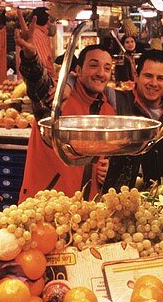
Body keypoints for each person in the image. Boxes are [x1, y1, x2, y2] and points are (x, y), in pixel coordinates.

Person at [14, 11, 116, 201]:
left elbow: (103, 160)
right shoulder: (58, 97)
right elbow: (38, 85)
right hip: (44, 208)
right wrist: (30, 56)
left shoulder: (108, 111)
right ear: (78, 70)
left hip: (85, 214)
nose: (101, 73)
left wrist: (107, 169)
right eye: (94, 65)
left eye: (107, 68)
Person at [104, 48, 163, 189]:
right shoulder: (117, 100)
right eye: (148, 76)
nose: (154, 83)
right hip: (119, 195)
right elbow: (86, 81)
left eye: (160, 78)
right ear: (136, 76)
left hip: (162, 198)